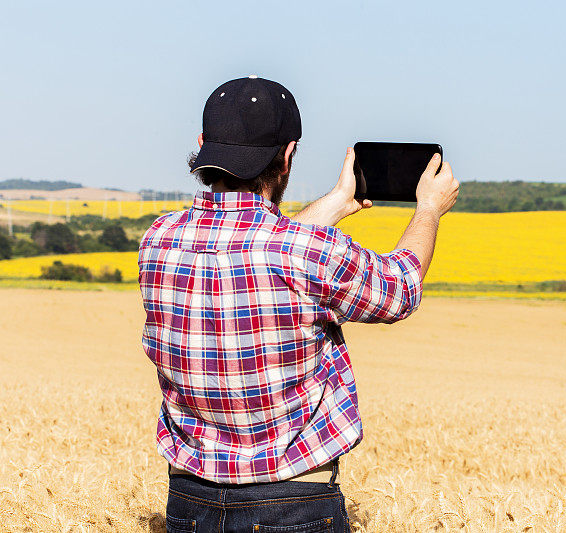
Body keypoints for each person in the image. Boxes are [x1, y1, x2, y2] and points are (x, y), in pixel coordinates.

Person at [137, 76, 459, 532]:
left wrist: (337, 203)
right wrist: (428, 208)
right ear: (287, 156)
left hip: (189, 501)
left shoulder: (159, 240)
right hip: (294, 501)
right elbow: (400, 287)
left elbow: (254, 250)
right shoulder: (303, 251)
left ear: (203, 145)